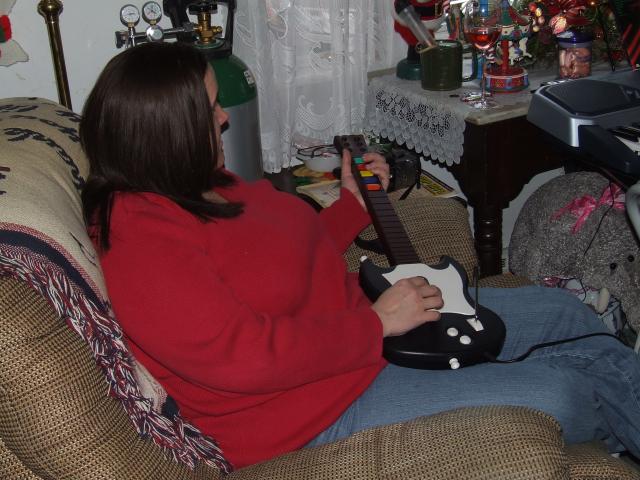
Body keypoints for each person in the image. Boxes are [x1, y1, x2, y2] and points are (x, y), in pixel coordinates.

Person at [80, 41, 640, 470]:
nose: (223, 117)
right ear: (169, 131)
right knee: (563, 392)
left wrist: (352, 204)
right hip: (313, 408)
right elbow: (242, 358)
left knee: (562, 312)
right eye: (210, 109)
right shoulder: (138, 239)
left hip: (358, 331)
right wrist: (376, 324)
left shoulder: (198, 182)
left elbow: (280, 260)